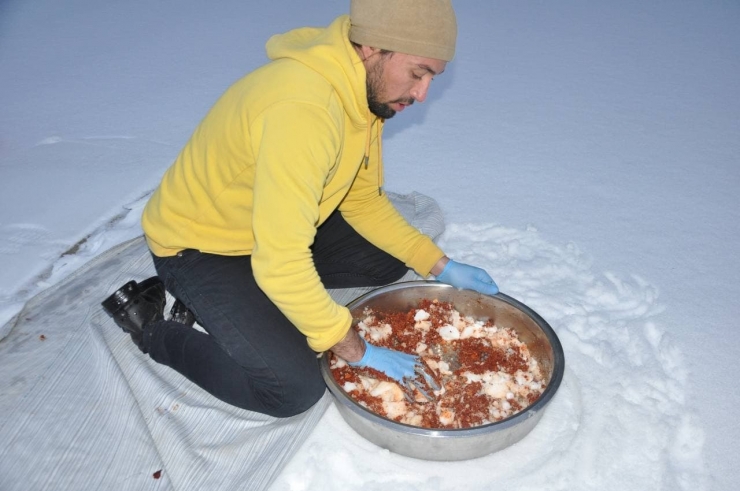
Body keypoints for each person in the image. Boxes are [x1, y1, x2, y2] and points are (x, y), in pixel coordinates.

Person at [101, 0, 499, 418]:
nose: (421, 94)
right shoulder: (304, 111)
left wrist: (438, 264)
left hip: (264, 228)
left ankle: (236, 306)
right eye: (418, 73)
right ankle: (151, 327)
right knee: (293, 389)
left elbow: (362, 201)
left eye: (432, 78)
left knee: (385, 263)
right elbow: (282, 261)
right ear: (372, 48)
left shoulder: (363, 92)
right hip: (199, 245)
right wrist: (356, 349)